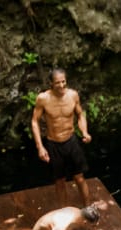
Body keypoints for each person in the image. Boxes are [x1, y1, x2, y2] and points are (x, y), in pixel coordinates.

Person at [31, 67, 92, 206]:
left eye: (63, 81)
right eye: (58, 82)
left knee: (79, 177)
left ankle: (89, 208)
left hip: (71, 141)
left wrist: (84, 132)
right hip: (53, 143)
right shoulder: (43, 99)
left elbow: (80, 115)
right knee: (59, 181)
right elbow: (34, 121)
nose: (61, 85)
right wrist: (40, 147)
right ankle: (63, 212)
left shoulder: (73, 95)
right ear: (51, 83)